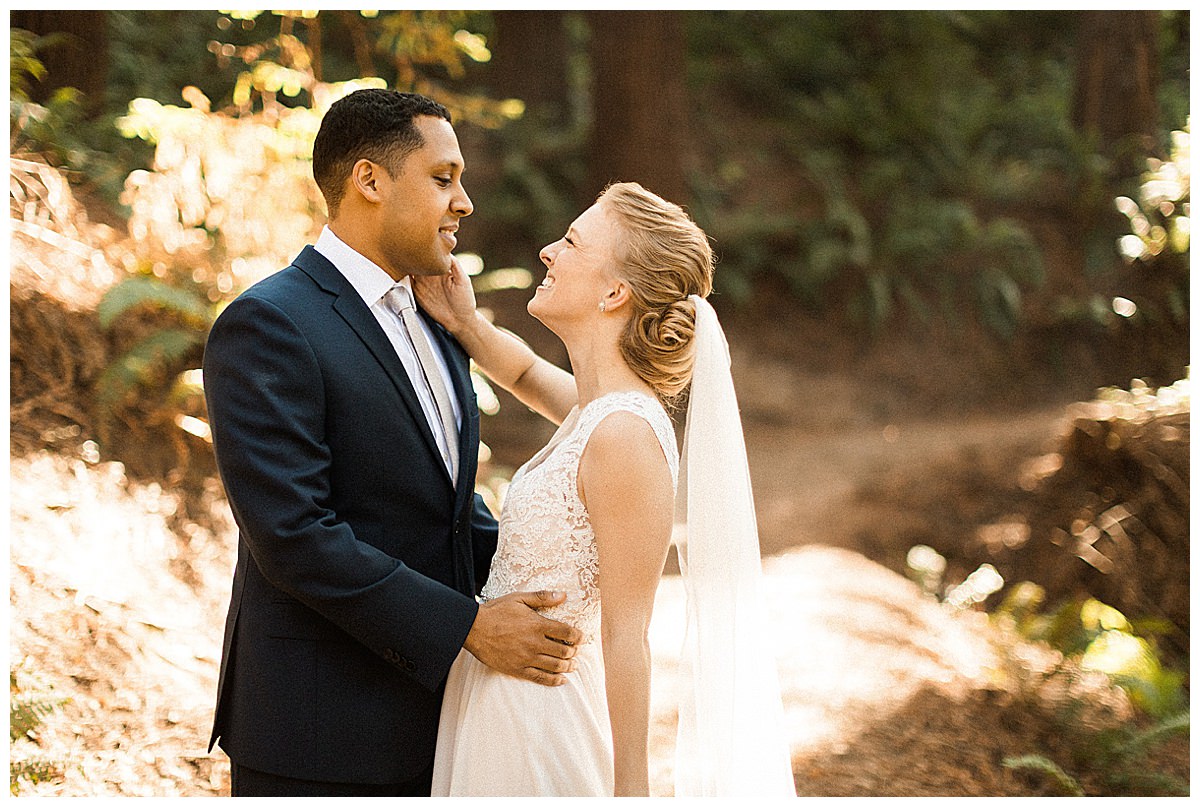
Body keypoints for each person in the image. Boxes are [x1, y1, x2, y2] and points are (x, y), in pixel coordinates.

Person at [201, 88, 583, 797]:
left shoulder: (439, 317)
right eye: (443, 178)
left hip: (439, 720)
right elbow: (293, 534)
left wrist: (547, 568)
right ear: (369, 180)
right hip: (318, 730)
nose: (464, 201)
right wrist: (468, 625)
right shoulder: (268, 324)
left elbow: (440, 506)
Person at [416, 181, 796, 796]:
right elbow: (523, 372)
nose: (547, 250)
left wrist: (631, 791)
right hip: (501, 701)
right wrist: (464, 321)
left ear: (615, 291)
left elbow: (627, 635)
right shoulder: (597, 411)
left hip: (543, 718)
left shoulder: (624, 436)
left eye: (571, 242)